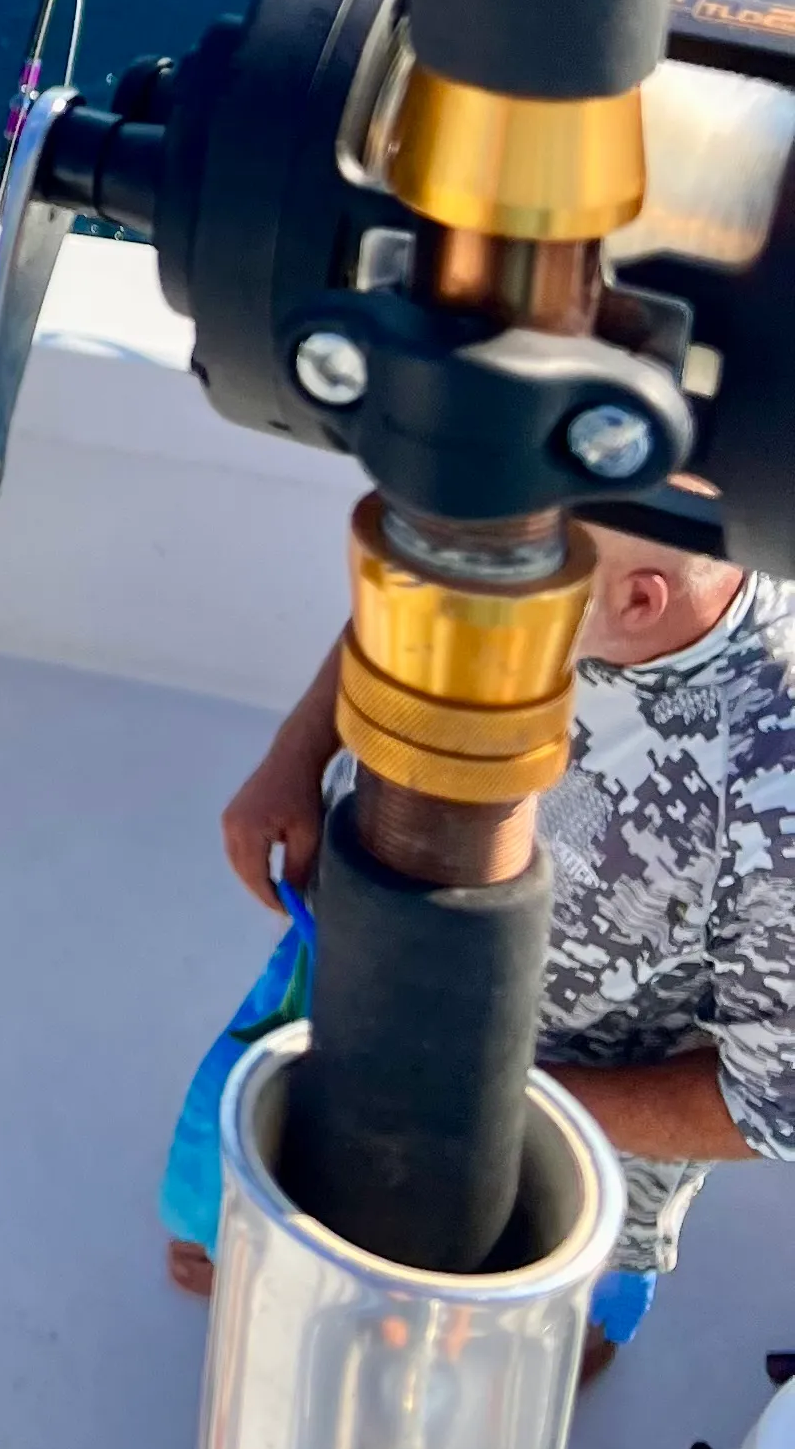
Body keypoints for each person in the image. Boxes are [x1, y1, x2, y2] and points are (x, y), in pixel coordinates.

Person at [197, 512, 795, 1354]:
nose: (471, 588)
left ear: (636, 598)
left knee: (510, 1363)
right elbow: (416, 600)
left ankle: (585, 1329)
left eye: (517, 579)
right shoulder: (548, 548)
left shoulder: (776, 788)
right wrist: (293, 758)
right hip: (361, 960)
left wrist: (482, 1102)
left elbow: (769, 1108)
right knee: (257, 1221)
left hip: (568, 1120)